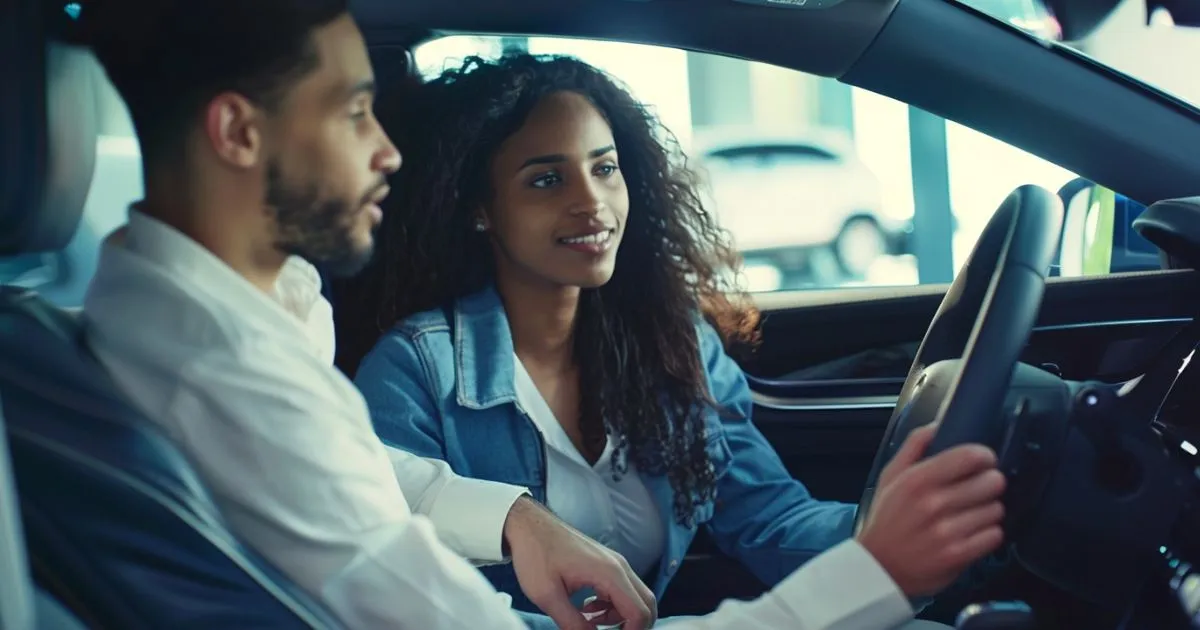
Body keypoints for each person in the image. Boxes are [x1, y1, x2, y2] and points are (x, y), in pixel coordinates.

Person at [75, 0, 1003, 627]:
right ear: (239, 133)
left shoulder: (250, 313)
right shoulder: (225, 377)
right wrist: (874, 575)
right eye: (357, 112)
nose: (390, 152)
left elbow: (369, 470)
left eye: (603, 170)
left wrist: (515, 515)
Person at [338, 54, 1005, 629]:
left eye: (604, 168)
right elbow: (396, 588)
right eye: (547, 179)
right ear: (480, 209)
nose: (592, 203)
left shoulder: (672, 341)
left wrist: (889, 532)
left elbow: (768, 521)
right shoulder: (415, 370)